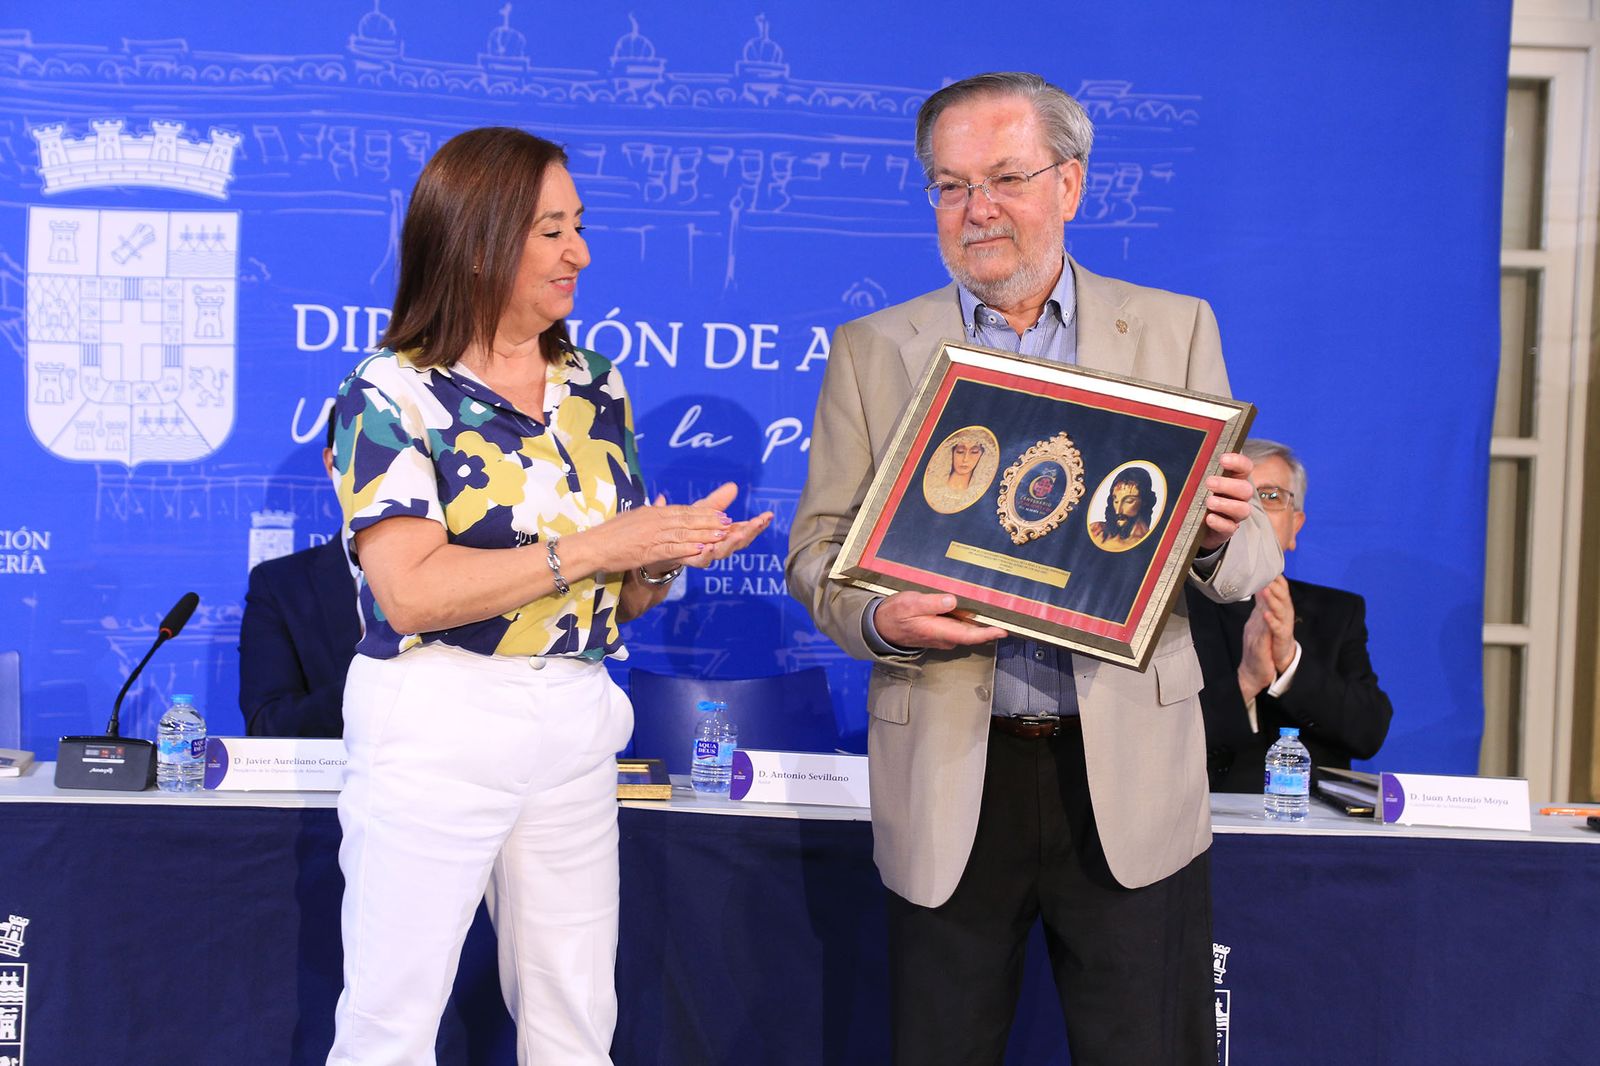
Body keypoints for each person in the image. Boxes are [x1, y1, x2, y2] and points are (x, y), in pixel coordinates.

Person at [786, 72, 1281, 1065]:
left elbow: (1247, 563)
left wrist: (1218, 535)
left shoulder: (1175, 328)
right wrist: (880, 621)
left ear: (1071, 184)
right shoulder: (873, 349)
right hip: (949, 776)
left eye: (1006, 178)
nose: (977, 209)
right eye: (950, 184)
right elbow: (817, 550)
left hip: (1128, 775)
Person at [325, 126, 771, 1066]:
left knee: (575, 1023)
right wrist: (602, 545)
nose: (582, 253)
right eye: (553, 231)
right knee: (389, 1027)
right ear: (478, 241)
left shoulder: (594, 385)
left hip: (575, 718)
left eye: (579, 226)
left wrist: (665, 557)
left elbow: (616, 601)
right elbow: (409, 595)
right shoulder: (391, 391)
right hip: (437, 720)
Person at [1188, 438, 1394, 792]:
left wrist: (1289, 661)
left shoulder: (1337, 613)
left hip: (1311, 817)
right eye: (1238, 497)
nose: (1251, 512)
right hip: (1203, 810)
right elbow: (1149, 740)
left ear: (1295, 526)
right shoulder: (1172, 611)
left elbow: (1368, 732)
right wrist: (1246, 682)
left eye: (1269, 496)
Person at [238, 414, 360, 737]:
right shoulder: (280, 586)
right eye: (366, 455)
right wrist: (378, 687)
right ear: (331, 464)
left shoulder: (461, 575)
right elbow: (267, 724)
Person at [1087, 464, 1157, 551]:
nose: (1118, 511)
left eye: (1129, 501)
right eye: (1116, 501)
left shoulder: (1144, 543)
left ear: (1144, 502)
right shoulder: (1096, 530)